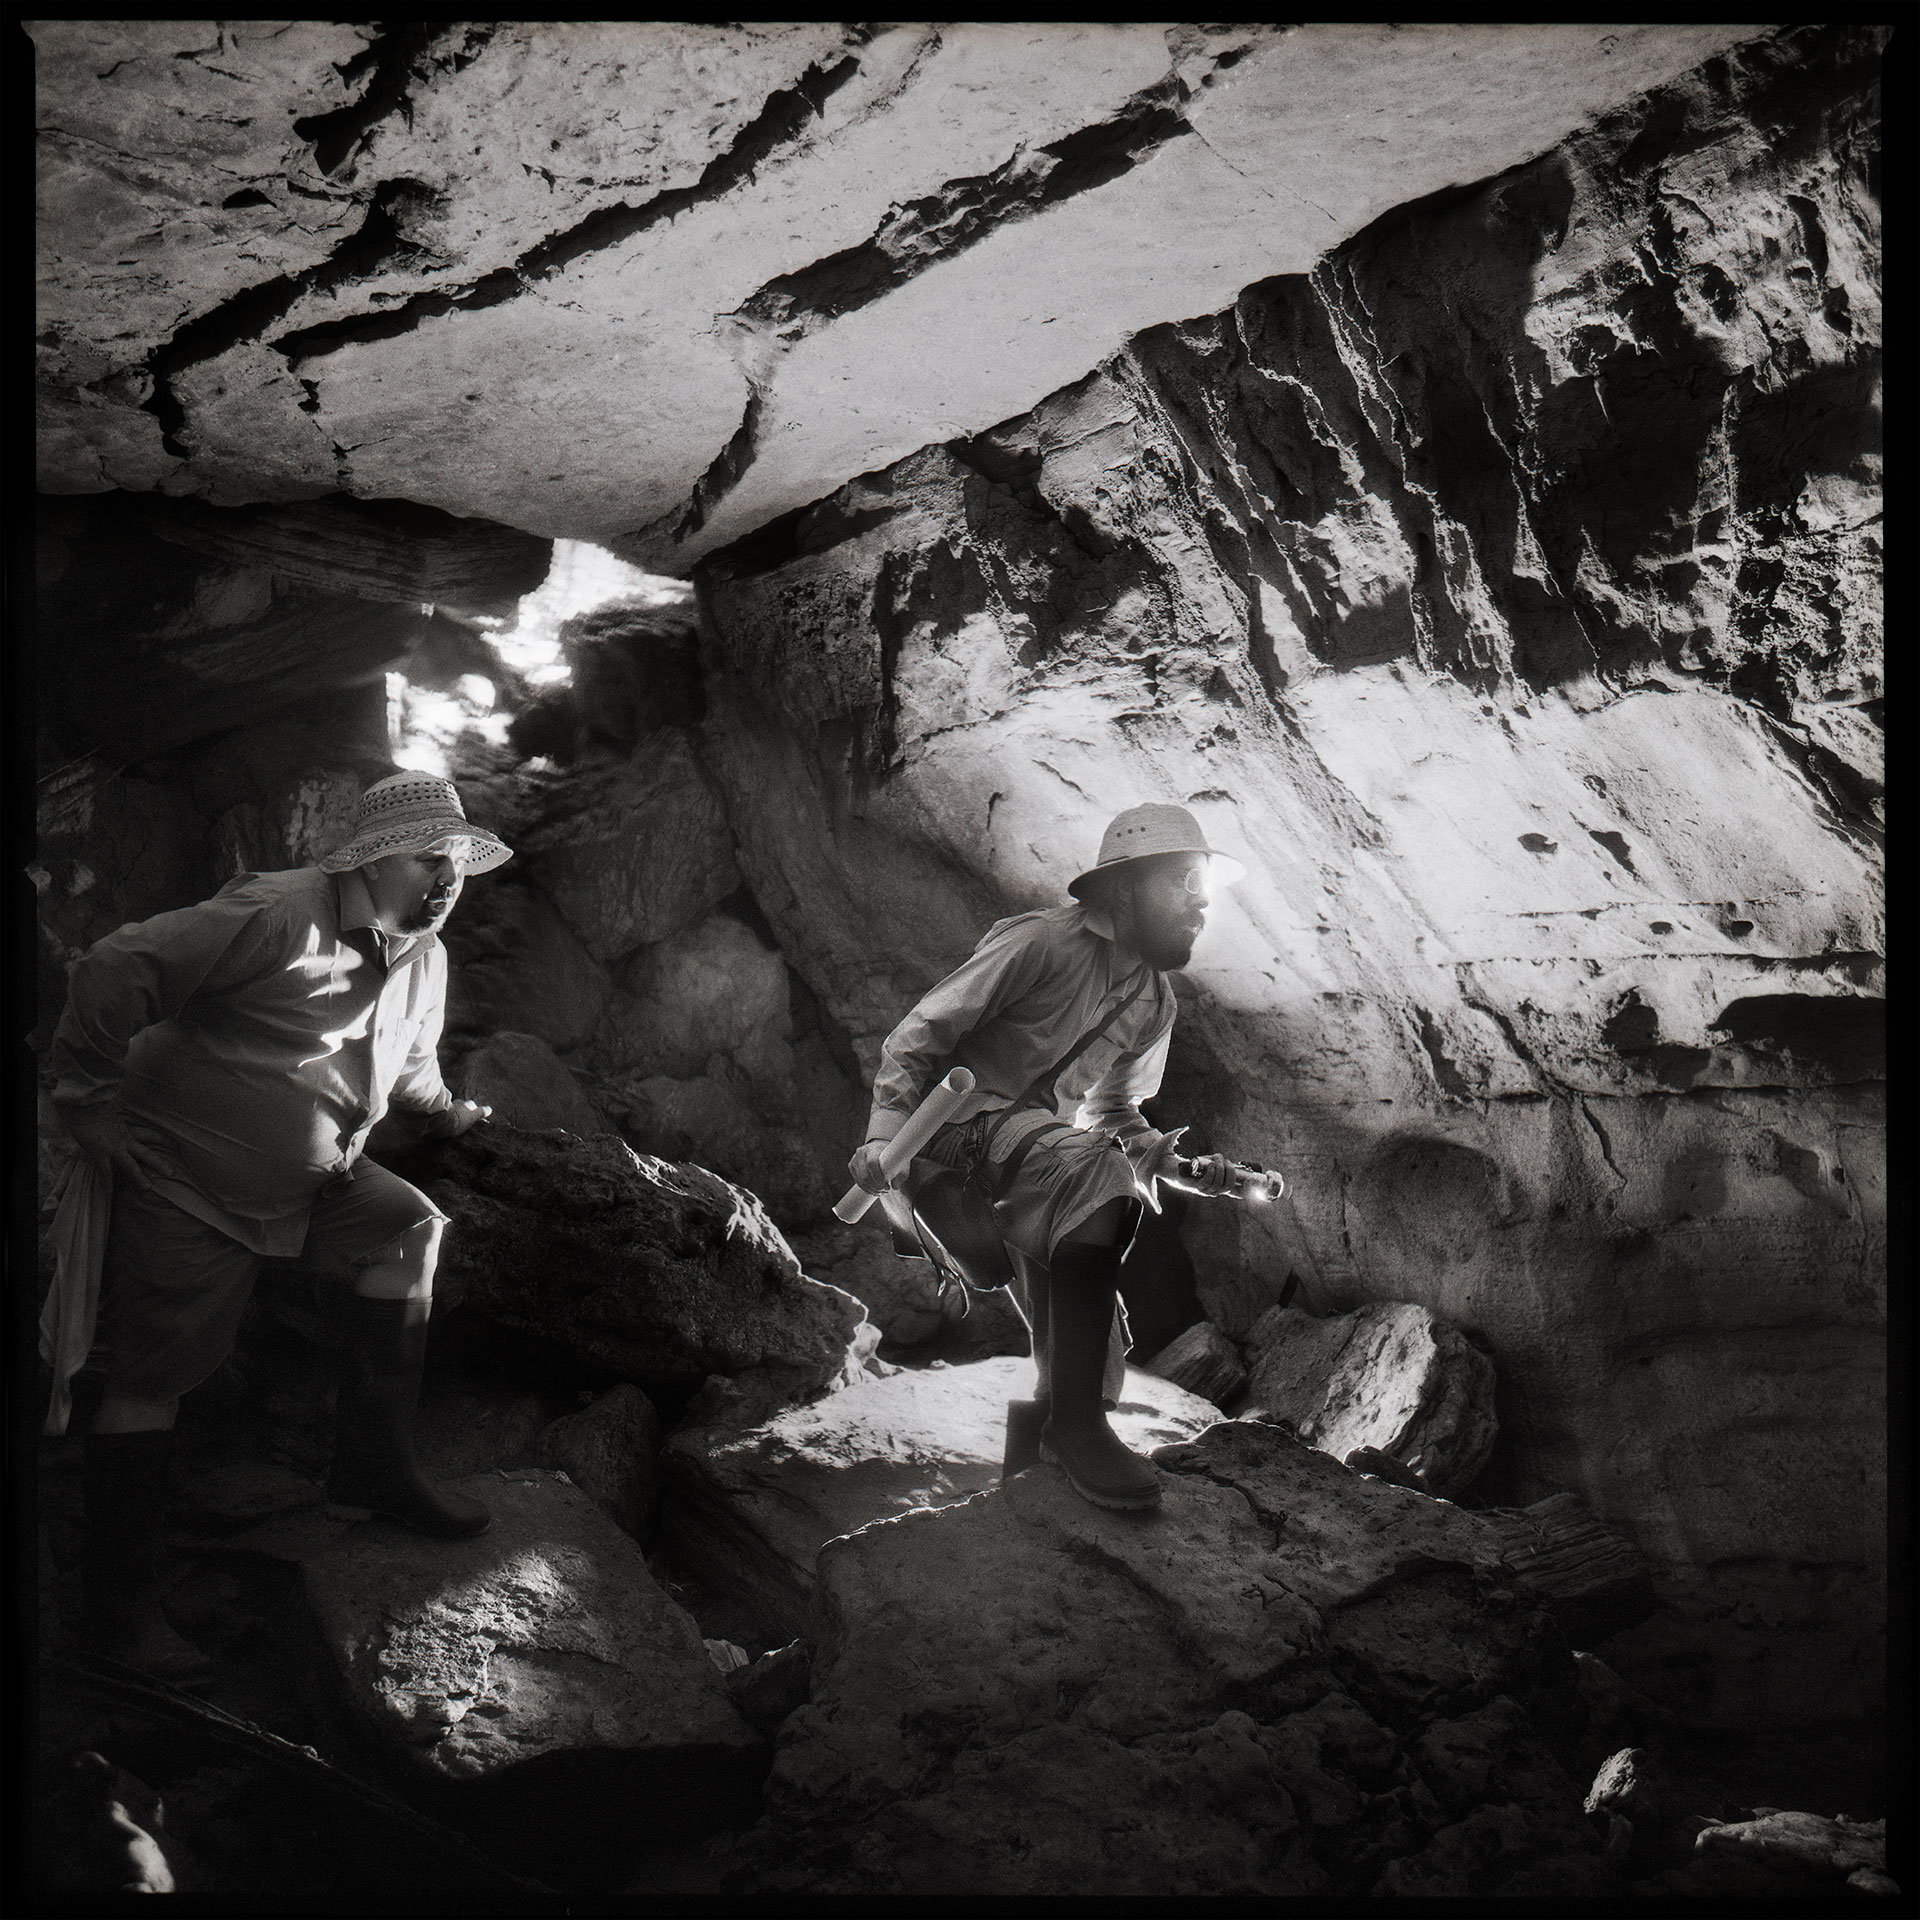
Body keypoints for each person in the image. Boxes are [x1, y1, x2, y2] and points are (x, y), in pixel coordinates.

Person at [48, 772, 512, 1680]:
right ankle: (116, 1614)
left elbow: (410, 1070)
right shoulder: (275, 914)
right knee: (151, 1379)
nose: (449, 877)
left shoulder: (423, 950)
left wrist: (453, 1112)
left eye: (458, 859)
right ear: (376, 858)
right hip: (192, 1182)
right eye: (430, 856)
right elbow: (114, 966)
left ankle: (373, 1469)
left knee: (410, 1229)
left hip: (319, 1179)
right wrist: (87, 1101)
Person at [848, 803, 1243, 1512]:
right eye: (1183, 879)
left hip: (1032, 1164)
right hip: (948, 1144)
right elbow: (917, 1038)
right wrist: (883, 1138)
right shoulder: (1040, 943)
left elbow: (1113, 1116)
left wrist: (1180, 1171)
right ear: (1122, 888)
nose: (1201, 900)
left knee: (1095, 1364)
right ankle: (1075, 1432)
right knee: (1091, 1171)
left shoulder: (1154, 1002)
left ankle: (1033, 1479)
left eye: (1203, 882)